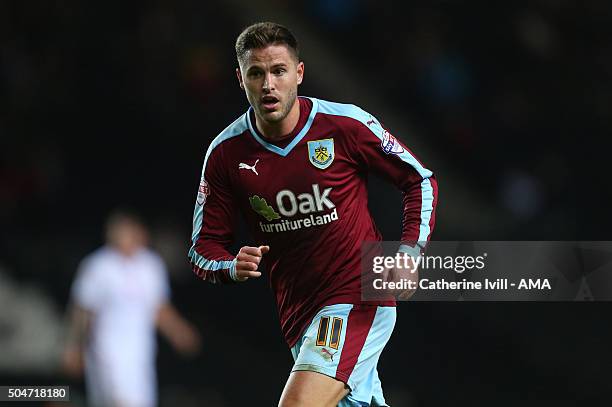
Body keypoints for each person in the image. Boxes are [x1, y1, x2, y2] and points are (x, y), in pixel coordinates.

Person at [188, 22, 438, 406]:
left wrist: (410, 252)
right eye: (257, 73)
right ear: (241, 79)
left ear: (299, 74)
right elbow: (203, 246)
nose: (268, 84)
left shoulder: (344, 125)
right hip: (298, 316)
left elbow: (419, 180)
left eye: (278, 71)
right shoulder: (225, 154)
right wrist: (230, 266)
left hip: (357, 294)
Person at [64, 210, 201, 407]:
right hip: (106, 352)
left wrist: (179, 332)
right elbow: (82, 310)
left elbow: (159, 308)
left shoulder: (151, 265)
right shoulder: (97, 266)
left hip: (140, 354)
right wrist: (74, 347)